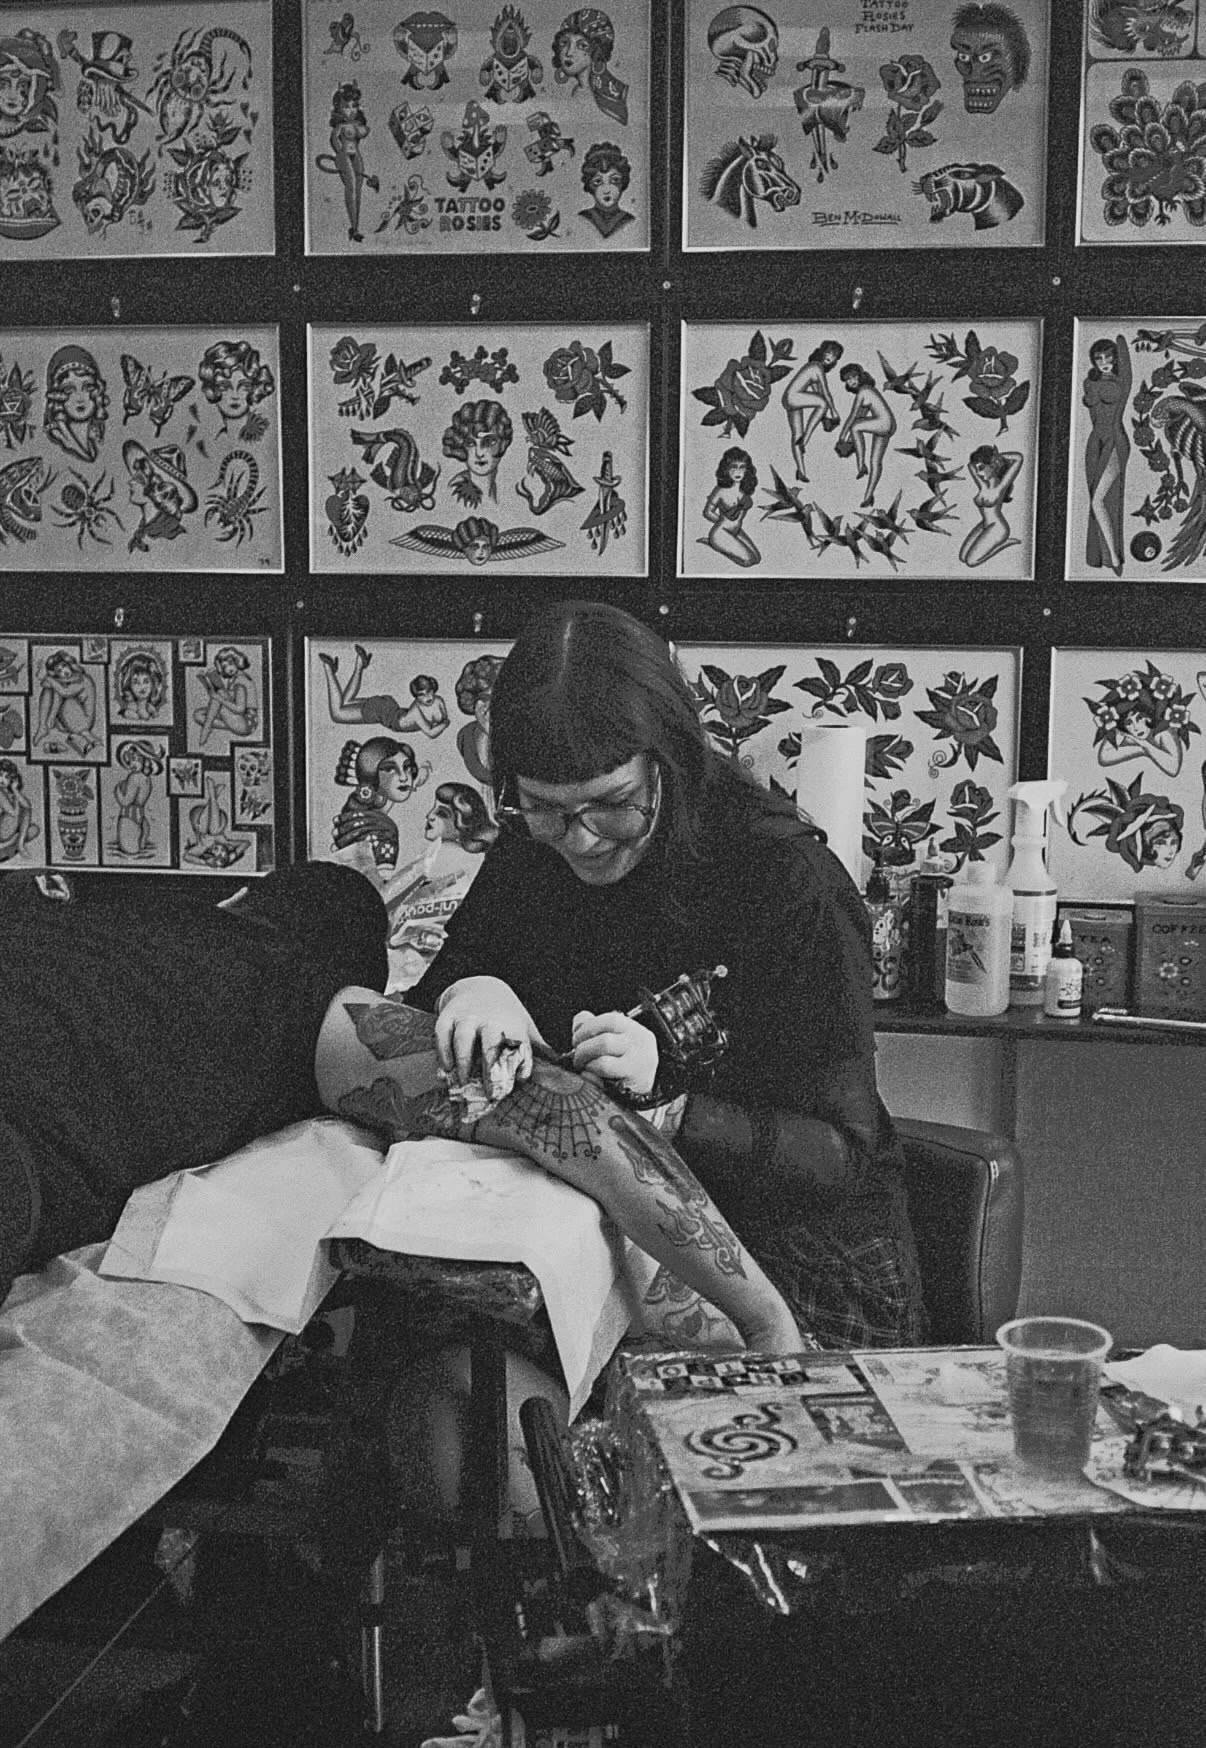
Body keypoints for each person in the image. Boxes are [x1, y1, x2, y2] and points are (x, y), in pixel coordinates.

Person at [388, 600, 925, 1512]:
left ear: (668, 761)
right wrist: (467, 989)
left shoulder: (785, 881)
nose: (581, 839)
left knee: (633, 1477)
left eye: (612, 805)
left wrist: (674, 1108)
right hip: (592, 1236)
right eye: (547, 811)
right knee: (448, 1418)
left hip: (798, 1252)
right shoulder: (535, 852)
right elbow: (445, 989)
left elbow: (839, 1155)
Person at [1082, 334, 1132, 575]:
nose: (1103, 361)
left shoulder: (1122, 381)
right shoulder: (1089, 383)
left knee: (1098, 500)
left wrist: (1121, 343)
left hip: (1114, 438)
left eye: (1108, 357)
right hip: (1094, 441)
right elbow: (1093, 415)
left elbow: (1126, 358)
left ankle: (1114, 556)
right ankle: (1100, 555)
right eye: (1098, 357)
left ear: (1115, 359)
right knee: (1096, 499)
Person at [835, 363, 897, 507]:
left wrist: (842, 437)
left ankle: (860, 464)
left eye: (853, 377)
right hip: (887, 425)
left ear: (860, 376)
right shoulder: (868, 391)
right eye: (848, 380)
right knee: (875, 461)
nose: (852, 382)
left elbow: (853, 417)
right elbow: (861, 415)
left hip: (883, 423)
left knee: (856, 427)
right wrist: (850, 440)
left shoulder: (864, 390)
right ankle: (868, 496)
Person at [959, 444, 1023, 567]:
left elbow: (1018, 458)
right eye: (978, 469)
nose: (979, 473)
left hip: (998, 528)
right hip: (985, 525)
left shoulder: (1000, 487)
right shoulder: (982, 485)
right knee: (962, 558)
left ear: (993, 465)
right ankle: (996, 542)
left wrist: (996, 457)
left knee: (971, 562)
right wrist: (984, 460)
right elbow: (970, 465)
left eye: (982, 468)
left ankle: (1004, 543)